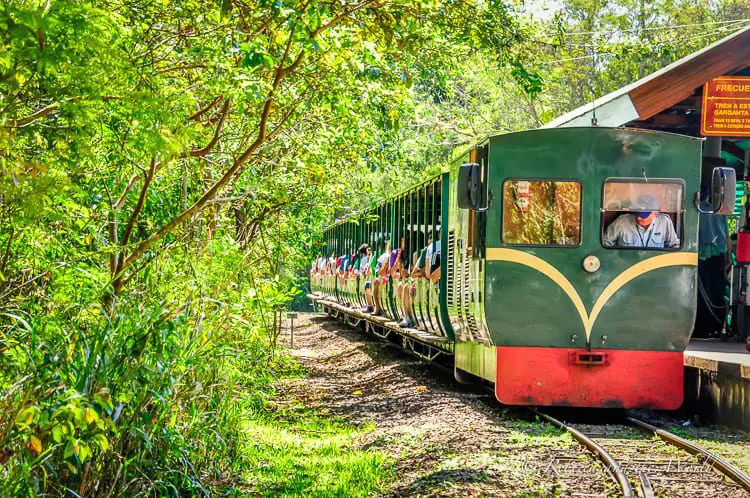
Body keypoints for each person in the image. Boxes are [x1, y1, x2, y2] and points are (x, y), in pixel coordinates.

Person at [602, 194, 679, 249]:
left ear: (655, 212)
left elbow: (674, 245)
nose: (638, 218)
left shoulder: (664, 222)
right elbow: (605, 243)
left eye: (643, 215)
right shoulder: (621, 222)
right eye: (637, 213)